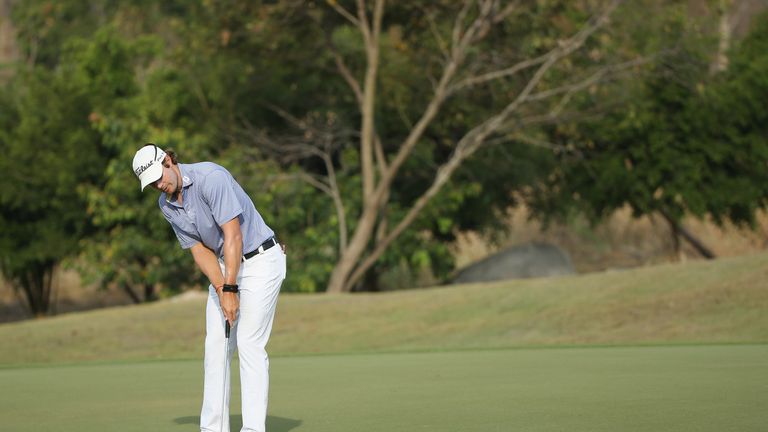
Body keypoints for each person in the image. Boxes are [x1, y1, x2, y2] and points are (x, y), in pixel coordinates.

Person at [132, 143, 286, 432]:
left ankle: (253, 429)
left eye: (159, 176)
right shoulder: (166, 206)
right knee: (216, 346)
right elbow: (199, 249)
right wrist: (221, 288)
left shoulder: (210, 178)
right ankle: (213, 428)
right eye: (151, 183)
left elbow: (234, 235)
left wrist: (230, 289)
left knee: (249, 343)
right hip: (225, 265)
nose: (158, 185)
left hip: (260, 260)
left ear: (168, 160)